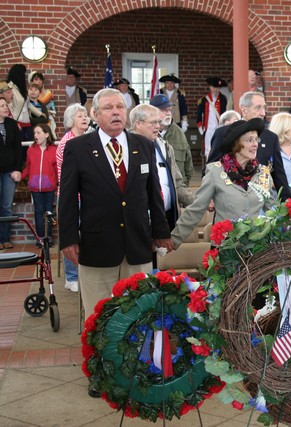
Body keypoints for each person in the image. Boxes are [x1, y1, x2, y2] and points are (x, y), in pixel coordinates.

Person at [58, 88, 172, 349]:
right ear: (95, 114)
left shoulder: (143, 145)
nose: (116, 112)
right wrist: (68, 239)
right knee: (100, 315)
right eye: (108, 108)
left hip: (137, 244)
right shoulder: (78, 148)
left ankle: (137, 372)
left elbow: (153, 193)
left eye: (120, 107)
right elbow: (66, 199)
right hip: (97, 247)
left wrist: (161, 232)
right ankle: (101, 373)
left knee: (139, 312)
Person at [171, 118, 274, 248]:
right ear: (236, 145)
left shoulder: (263, 173)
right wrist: (173, 240)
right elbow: (196, 210)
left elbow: (272, 211)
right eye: (249, 140)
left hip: (255, 249)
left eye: (256, 139)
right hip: (225, 248)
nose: (255, 144)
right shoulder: (215, 172)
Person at [206, 91, 291, 200]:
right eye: (258, 108)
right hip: (229, 202)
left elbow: (279, 175)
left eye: (264, 108)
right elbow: (211, 167)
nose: (263, 113)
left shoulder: (270, 138)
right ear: (244, 109)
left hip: (261, 205)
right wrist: (209, 197)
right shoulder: (223, 134)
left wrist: (289, 205)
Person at [130, 101, 194, 229]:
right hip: (137, 221)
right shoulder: (125, 148)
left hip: (166, 218)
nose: (158, 127)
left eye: (158, 122)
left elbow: (178, 185)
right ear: (138, 124)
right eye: (153, 123)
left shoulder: (164, 147)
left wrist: (199, 202)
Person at [56, 103, 90, 292]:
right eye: (79, 116)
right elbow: (66, 177)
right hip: (71, 198)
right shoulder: (66, 143)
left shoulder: (90, 140)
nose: (84, 118)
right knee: (71, 237)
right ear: (71, 121)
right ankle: (71, 277)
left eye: (85, 115)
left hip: (88, 196)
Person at [22, 123, 57, 239]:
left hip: (50, 187)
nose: (35, 135)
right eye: (34, 133)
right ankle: (41, 238)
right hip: (35, 187)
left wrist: (60, 183)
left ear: (46, 134)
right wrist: (20, 176)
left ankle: (49, 237)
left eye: (38, 132)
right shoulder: (31, 150)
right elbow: (28, 167)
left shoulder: (54, 150)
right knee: (38, 211)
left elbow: (57, 169)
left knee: (49, 212)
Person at [154, 93, 194, 187]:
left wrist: (183, 186)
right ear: (153, 111)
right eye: (164, 110)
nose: (168, 113)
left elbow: (188, 164)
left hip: (176, 190)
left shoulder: (179, 133)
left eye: (170, 110)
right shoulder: (146, 132)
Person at [0, 97, 23, 249]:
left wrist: (18, 169)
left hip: (9, 171)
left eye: (5, 105)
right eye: (2, 106)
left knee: (7, 206)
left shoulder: (11, 124)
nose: (5, 107)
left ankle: (4, 238)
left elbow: (18, 148)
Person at [197, 77, 227, 159]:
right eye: (214, 87)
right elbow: (199, 114)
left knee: (219, 147)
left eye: (217, 88)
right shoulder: (204, 100)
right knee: (208, 149)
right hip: (208, 128)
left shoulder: (223, 99)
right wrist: (200, 125)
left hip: (219, 127)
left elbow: (224, 114)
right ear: (210, 87)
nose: (216, 90)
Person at [6, 64, 31, 141]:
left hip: (27, 122)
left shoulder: (20, 88)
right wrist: (13, 123)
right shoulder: (9, 87)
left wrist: (40, 113)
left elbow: (27, 104)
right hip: (17, 122)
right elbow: (8, 106)